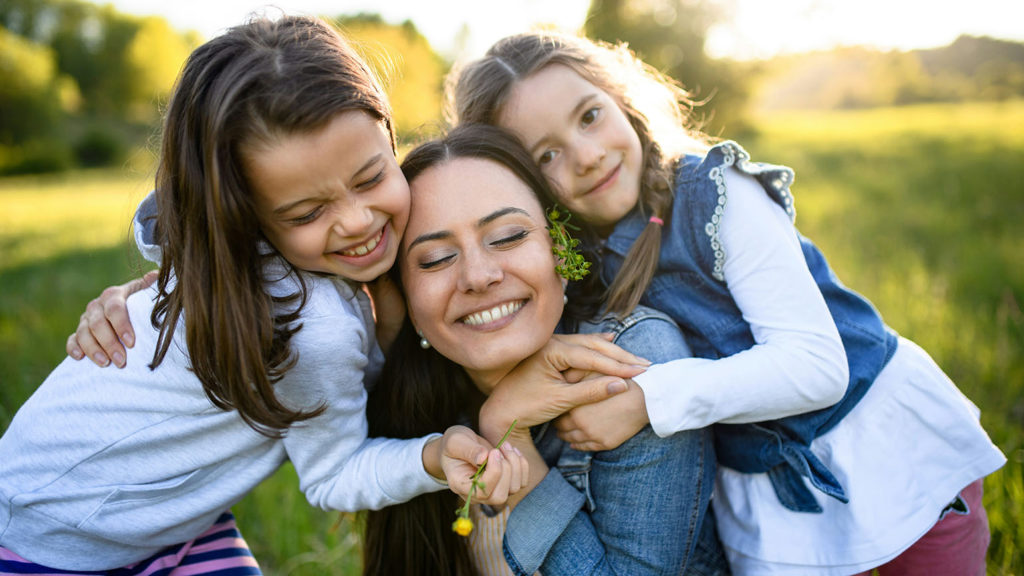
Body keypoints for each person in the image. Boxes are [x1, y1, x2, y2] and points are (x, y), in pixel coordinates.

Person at [0, 18, 640, 573]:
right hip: (54, 539)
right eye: (308, 212)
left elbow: (162, 222)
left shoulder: (259, 250)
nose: (358, 222)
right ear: (249, 218)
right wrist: (436, 452)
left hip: (164, 527)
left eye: (371, 176)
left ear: (389, 140)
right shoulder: (312, 328)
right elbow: (332, 476)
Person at [446, 31, 1007, 575]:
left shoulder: (711, 193)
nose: (587, 156)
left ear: (619, 98)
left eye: (590, 116)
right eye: (547, 155)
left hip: (882, 448)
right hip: (774, 497)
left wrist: (648, 399)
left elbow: (816, 368)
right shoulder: (572, 262)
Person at [361, 124, 725, 575]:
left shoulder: (631, 364)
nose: (478, 276)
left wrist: (505, 430)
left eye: (509, 236)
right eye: (435, 259)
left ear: (561, 252)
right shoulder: (414, 405)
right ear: (409, 303)